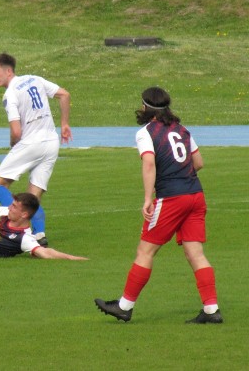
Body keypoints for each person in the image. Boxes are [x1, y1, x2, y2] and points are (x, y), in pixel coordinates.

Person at [95, 87, 222, 324]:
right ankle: (211, 309)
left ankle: (124, 307)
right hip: (196, 195)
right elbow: (199, 163)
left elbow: (149, 164)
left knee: (145, 251)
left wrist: (147, 198)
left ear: (146, 108)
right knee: (196, 253)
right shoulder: (182, 129)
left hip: (172, 199)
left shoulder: (146, 132)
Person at [0, 53, 72, 247]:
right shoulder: (35, 79)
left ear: (9, 71)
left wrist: (13, 143)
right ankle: (38, 235)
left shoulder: (11, 94)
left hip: (30, 143)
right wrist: (65, 124)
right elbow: (64, 95)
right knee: (32, 197)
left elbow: (16, 131)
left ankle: (15, 227)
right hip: (51, 142)